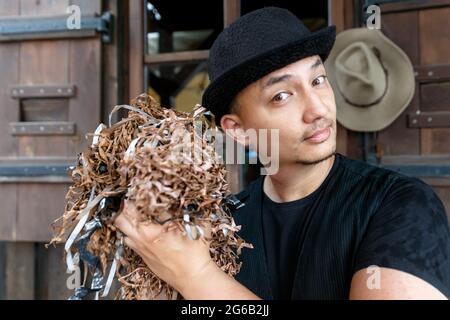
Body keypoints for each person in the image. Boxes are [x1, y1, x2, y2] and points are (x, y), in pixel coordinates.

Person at [115, 7, 450, 300]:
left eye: (318, 80)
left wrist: (198, 278)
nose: (317, 109)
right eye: (282, 96)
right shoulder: (224, 226)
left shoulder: (399, 205)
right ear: (238, 130)